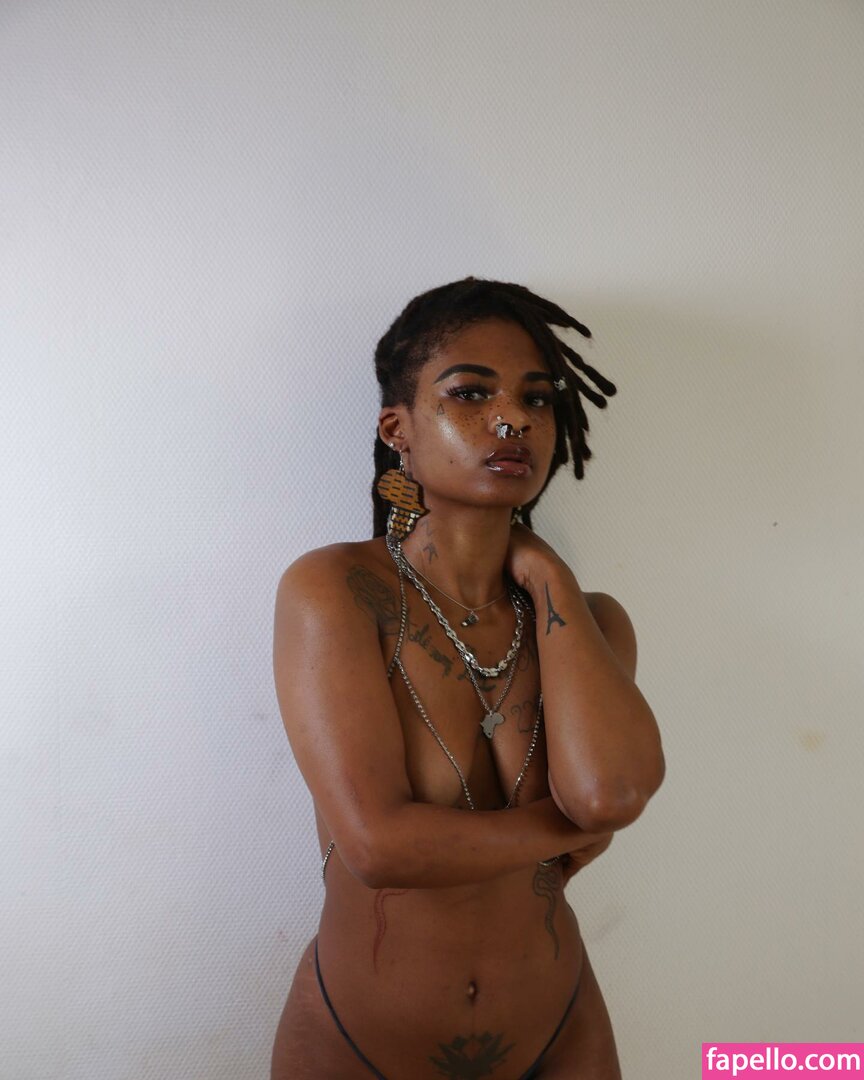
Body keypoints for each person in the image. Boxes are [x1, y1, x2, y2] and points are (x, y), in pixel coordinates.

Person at [271, 277, 665, 1078]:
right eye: (471, 393)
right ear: (398, 429)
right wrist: (563, 830)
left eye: (537, 398)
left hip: (560, 1032)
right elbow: (378, 846)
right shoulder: (337, 591)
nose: (513, 418)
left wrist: (548, 574)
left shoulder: (590, 624)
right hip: (357, 1045)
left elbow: (609, 796)